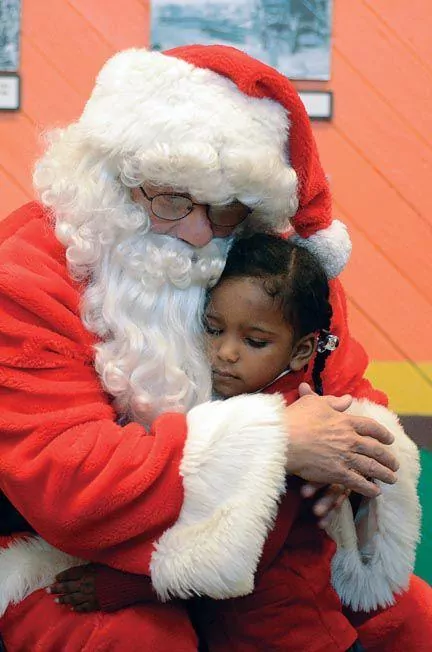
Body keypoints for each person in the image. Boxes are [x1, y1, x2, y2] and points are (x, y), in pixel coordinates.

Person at [0, 45, 429, 651]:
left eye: (226, 210)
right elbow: (69, 483)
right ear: (113, 180)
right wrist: (276, 443)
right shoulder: (27, 275)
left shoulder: (271, 268)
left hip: (263, 542)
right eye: (173, 201)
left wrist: (347, 473)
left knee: (412, 621)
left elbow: (347, 400)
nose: (200, 234)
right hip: (55, 549)